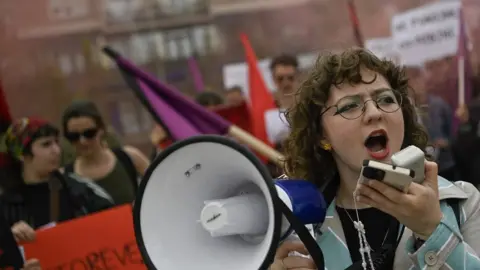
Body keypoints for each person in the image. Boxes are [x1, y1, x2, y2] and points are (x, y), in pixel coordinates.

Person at [270, 49, 480, 269]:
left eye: (386, 100)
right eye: (350, 106)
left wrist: (433, 231)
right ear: (322, 136)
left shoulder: (463, 204)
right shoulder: (300, 231)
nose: (374, 113)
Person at [0, 117, 114, 269]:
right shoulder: (7, 204)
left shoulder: (78, 188)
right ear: (22, 154)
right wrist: (9, 238)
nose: (56, 150)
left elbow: (113, 220)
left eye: (56, 142)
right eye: (46, 144)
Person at [62, 101, 150, 205]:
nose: (82, 141)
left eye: (89, 133)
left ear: (101, 130)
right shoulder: (66, 177)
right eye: (74, 136)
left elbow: (160, 186)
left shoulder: (130, 157)